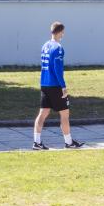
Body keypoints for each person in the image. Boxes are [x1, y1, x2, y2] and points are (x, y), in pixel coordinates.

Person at [33, 22, 84, 150]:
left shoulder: (45, 46)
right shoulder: (58, 48)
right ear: (60, 32)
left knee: (42, 113)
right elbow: (57, 69)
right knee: (65, 114)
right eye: (63, 32)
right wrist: (63, 86)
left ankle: (37, 142)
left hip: (44, 84)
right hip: (55, 85)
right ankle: (69, 142)